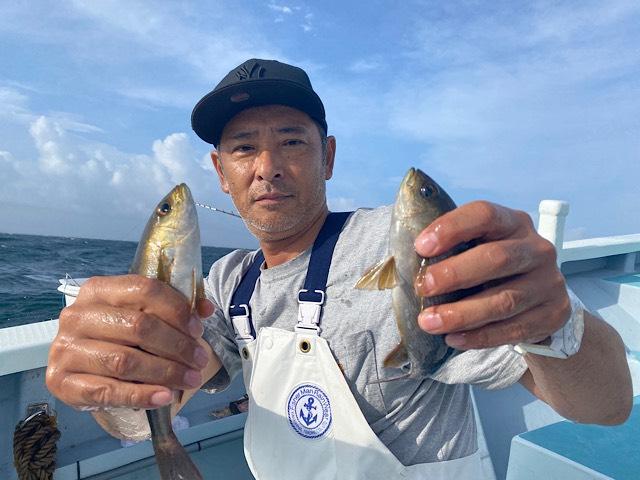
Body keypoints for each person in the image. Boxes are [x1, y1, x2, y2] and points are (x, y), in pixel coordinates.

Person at [46, 59, 632, 478]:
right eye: (244, 147)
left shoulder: (406, 245)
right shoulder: (225, 282)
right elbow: (141, 419)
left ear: (327, 157)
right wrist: (109, 380)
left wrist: (553, 323)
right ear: (221, 173)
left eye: (292, 142)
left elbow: (605, 407)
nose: (268, 167)